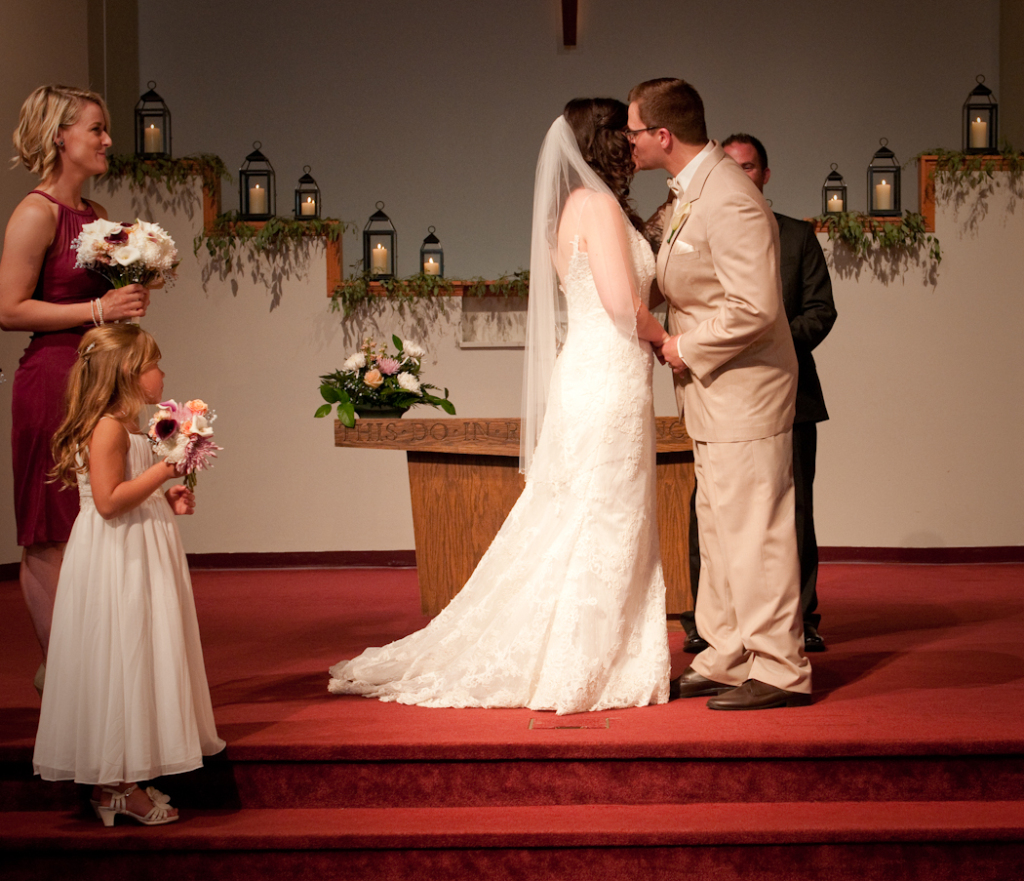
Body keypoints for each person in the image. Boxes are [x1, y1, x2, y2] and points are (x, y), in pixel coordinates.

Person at [328, 98, 671, 714]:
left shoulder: (579, 208)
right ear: (607, 140)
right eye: (626, 131)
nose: (634, 140)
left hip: (598, 370)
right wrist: (665, 340)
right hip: (610, 372)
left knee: (595, 511)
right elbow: (622, 305)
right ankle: (585, 661)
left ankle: (598, 651)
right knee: (605, 513)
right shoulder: (597, 205)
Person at [627, 78, 811, 710]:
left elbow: (755, 306)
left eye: (633, 131)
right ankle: (727, 654)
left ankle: (780, 666)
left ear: (662, 135)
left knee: (755, 529)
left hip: (745, 392)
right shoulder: (690, 189)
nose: (628, 141)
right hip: (713, 395)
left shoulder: (729, 196)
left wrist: (681, 346)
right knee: (720, 526)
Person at [32, 324, 224, 825]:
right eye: (154, 365)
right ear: (127, 373)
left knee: (138, 650)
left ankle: (119, 778)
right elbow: (109, 501)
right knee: (121, 653)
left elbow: (126, 489)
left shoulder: (129, 427)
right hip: (118, 556)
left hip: (138, 546)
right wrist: (165, 470)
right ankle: (115, 786)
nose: (162, 374)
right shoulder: (108, 428)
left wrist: (164, 496)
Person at [0, 85, 150, 694]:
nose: (108, 140)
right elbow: (8, 309)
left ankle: (91, 668)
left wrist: (132, 293)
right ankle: (60, 674)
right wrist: (97, 308)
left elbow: (99, 305)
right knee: (49, 529)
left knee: (94, 518)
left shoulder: (94, 213)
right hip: (51, 384)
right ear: (61, 137)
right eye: (96, 129)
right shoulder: (36, 213)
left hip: (95, 381)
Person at [681, 134, 837, 655]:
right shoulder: (703, 225)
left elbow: (821, 311)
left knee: (792, 511)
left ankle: (800, 619)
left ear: (765, 175)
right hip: (719, 392)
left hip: (791, 392)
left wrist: (767, 345)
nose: (739, 174)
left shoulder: (796, 235)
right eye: (731, 165)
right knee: (711, 511)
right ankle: (708, 625)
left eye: (748, 167)